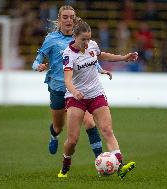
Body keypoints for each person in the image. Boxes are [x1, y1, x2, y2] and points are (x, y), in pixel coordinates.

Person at [57, 19, 138, 178]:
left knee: (107, 129)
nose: (87, 42)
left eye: (88, 38)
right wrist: (74, 91)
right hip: (76, 98)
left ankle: (120, 166)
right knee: (72, 141)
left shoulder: (92, 45)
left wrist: (123, 57)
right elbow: (67, 80)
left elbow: (102, 56)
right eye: (83, 39)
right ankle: (66, 164)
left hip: (96, 93)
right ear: (75, 37)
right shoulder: (68, 54)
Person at [32, 5, 109, 157]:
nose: (68, 20)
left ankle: (100, 160)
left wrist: (100, 69)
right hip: (58, 89)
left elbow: (90, 56)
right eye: (65, 17)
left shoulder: (80, 38)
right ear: (59, 19)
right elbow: (37, 60)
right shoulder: (51, 39)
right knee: (58, 126)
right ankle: (54, 135)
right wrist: (38, 66)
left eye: (71, 17)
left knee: (90, 123)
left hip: (77, 90)